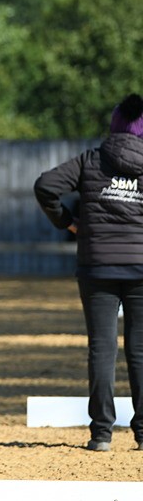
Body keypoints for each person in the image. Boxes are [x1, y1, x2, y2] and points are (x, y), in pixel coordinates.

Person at [35, 94, 143, 452]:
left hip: (96, 267)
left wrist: (69, 223)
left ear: (114, 124)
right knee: (140, 350)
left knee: (101, 348)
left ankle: (101, 434)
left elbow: (46, 186)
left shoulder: (91, 161)